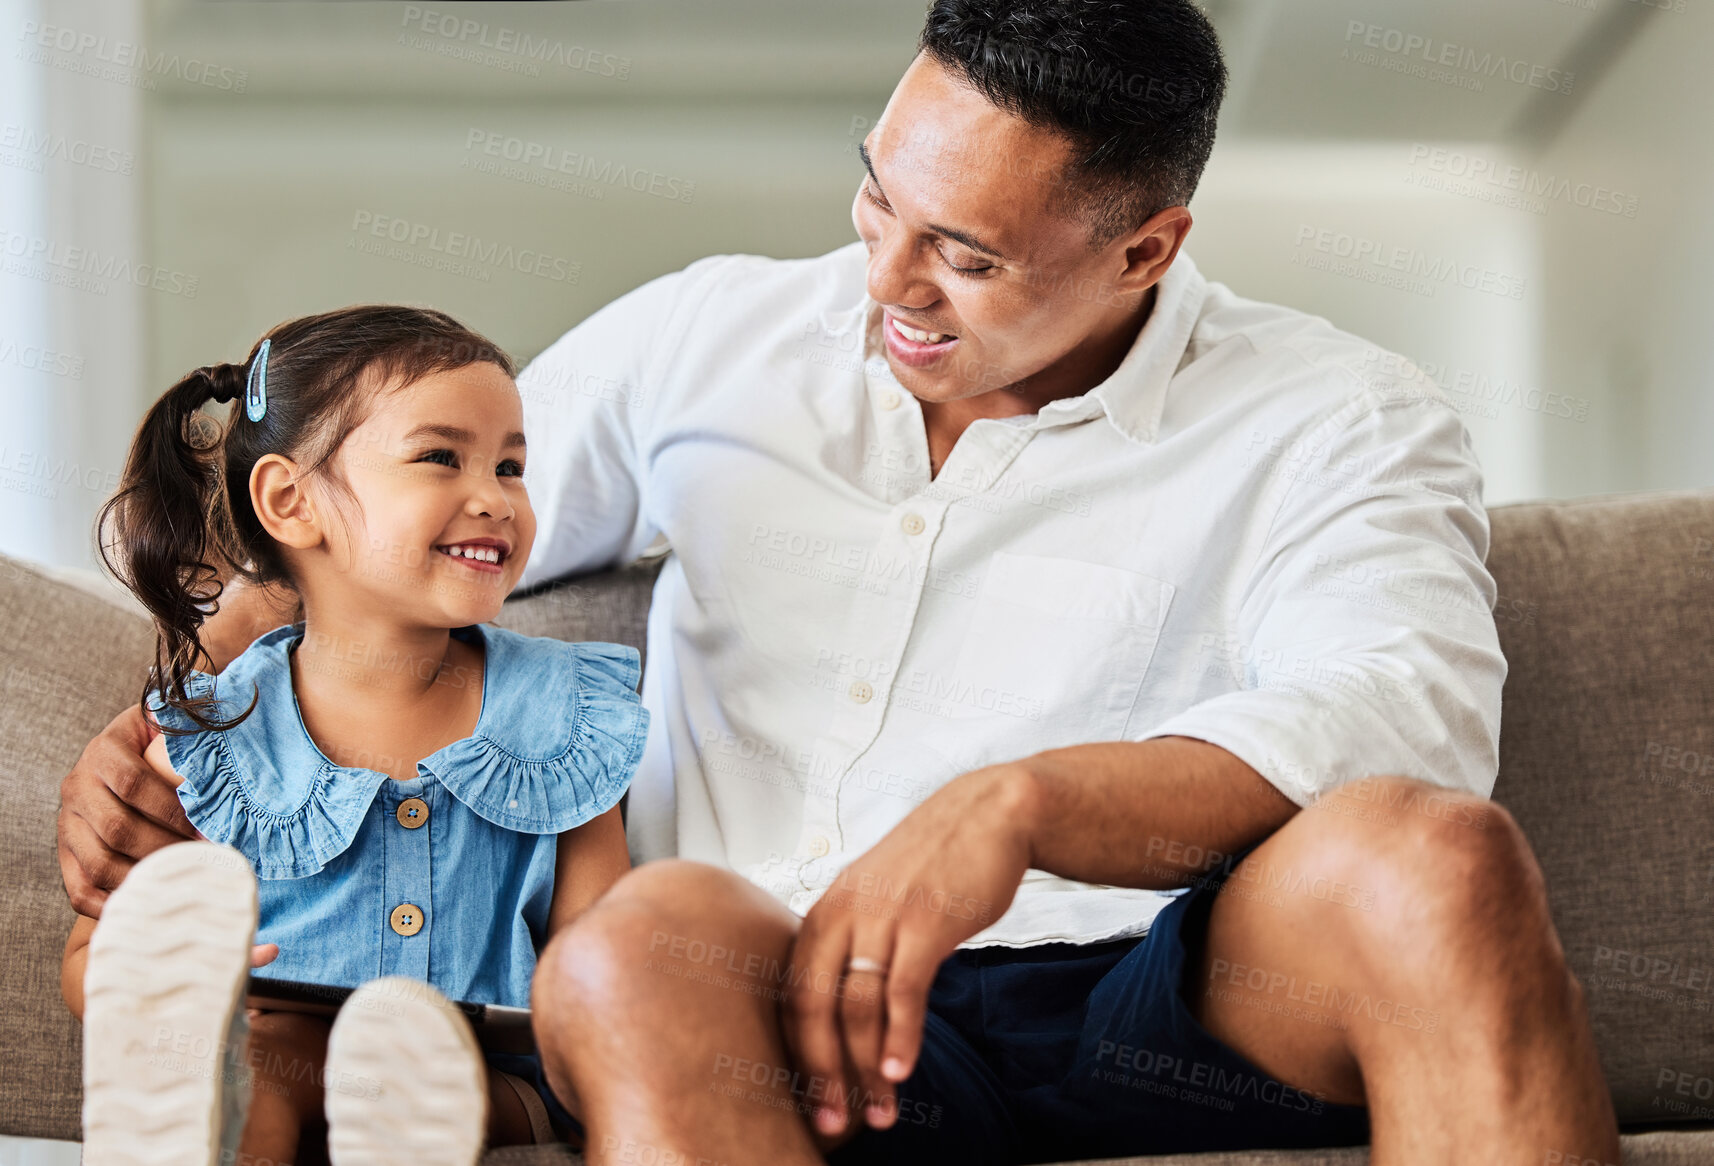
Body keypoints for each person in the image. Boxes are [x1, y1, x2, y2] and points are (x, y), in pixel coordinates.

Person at [60, 2, 1622, 1164]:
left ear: (1144, 249)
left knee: (1429, 858)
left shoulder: (1338, 411)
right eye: (877, 193)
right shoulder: (710, 336)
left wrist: (1021, 806)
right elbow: (404, 526)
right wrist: (183, 705)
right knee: (627, 941)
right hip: (762, 1002)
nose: (880, 280)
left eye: (964, 254)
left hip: (1168, 994)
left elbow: (1408, 725)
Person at [59, 306, 647, 1165]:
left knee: (410, 1069)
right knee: (263, 1065)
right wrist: (153, 988)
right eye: (441, 458)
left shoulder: (568, 715)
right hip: (278, 1043)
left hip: (492, 1077)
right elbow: (92, 955)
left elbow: (598, 959)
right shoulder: (208, 738)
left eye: (511, 466)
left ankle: (396, 1110)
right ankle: (188, 1127)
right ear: (292, 503)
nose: (494, 498)